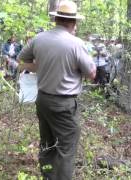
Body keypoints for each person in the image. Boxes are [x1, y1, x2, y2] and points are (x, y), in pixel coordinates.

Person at [18, 1, 96, 179]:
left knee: (47, 143)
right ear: (73, 22)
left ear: (56, 19)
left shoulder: (39, 38)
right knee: (66, 149)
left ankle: (47, 177)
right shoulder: (75, 43)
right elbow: (91, 73)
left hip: (43, 100)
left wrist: (43, 65)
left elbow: (21, 61)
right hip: (64, 104)